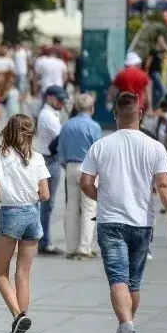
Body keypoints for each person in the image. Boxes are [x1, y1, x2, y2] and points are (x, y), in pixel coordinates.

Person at [80, 91, 167, 333]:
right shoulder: (154, 146)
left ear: (115, 115)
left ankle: (126, 329)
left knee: (118, 278)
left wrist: (103, 197)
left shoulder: (101, 145)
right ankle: (126, 330)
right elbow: (165, 185)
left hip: (111, 220)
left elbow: (86, 183)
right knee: (133, 282)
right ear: (141, 114)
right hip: (142, 222)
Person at [0, 114, 51, 333]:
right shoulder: (38, 158)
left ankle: (17, 317)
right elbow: (45, 194)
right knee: (23, 274)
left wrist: (8, 196)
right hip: (33, 214)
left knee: (1, 273)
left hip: (11, 213)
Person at [57, 93, 102, 260]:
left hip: (70, 165)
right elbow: (98, 151)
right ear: (91, 108)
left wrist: (66, 164)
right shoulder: (94, 126)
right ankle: (84, 247)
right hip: (88, 168)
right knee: (89, 207)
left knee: (71, 207)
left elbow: (61, 151)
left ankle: (71, 247)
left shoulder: (67, 125)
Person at [35, 85, 68, 255]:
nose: (62, 102)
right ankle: (44, 242)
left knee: (46, 203)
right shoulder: (48, 115)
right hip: (50, 160)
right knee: (47, 204)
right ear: (49, 97)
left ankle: (43, 240)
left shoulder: (50, 114)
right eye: (59, 99)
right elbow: (62, 136)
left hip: (49, 159)